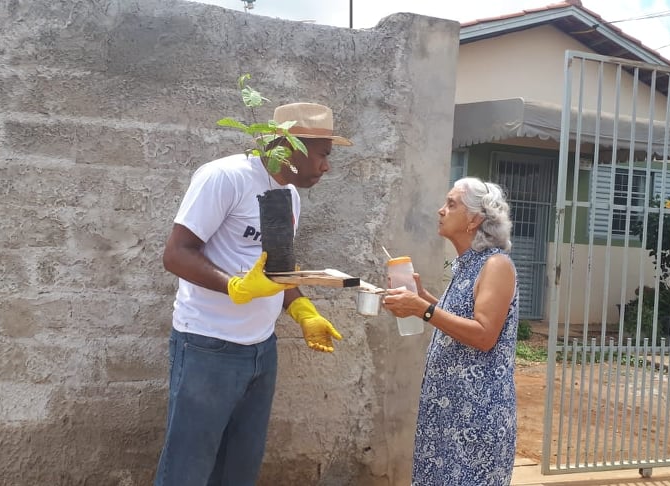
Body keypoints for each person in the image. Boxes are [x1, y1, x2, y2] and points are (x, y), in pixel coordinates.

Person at [154, 102, 352, 486]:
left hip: (261, 348)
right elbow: (176, 254)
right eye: (323, 154)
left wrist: (303, 311)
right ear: (291, 144)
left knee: (239, 468)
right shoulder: (225, 177)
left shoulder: (288, 195)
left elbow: (278, 270)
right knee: (188, 467)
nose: (326, 166)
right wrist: (234, 287)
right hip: (208, 345)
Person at [382, 177, 519, 486]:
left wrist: (422, 309)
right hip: (448, 411)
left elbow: (484, 335)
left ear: (474, 220)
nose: (440, 210)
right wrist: (423, 296)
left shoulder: (496, 265)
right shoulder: (466, 266)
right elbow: (459, 317)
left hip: (474, 418)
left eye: (451, 204)